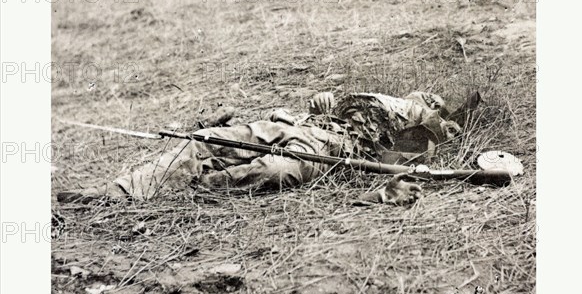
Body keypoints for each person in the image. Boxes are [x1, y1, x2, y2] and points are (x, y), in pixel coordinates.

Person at [58, 90, 469, 204]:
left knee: (273, 172)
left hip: (332, 149)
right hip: (297, 125)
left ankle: (197, 187)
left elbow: (406, 156)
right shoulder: (370, 95)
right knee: (206, 141)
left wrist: (440, 124)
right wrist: (322, 102)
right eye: (425, 96)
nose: (425, 97)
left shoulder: (420, 121)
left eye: (431, 99)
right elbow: (319, 102)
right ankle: (120, 191)